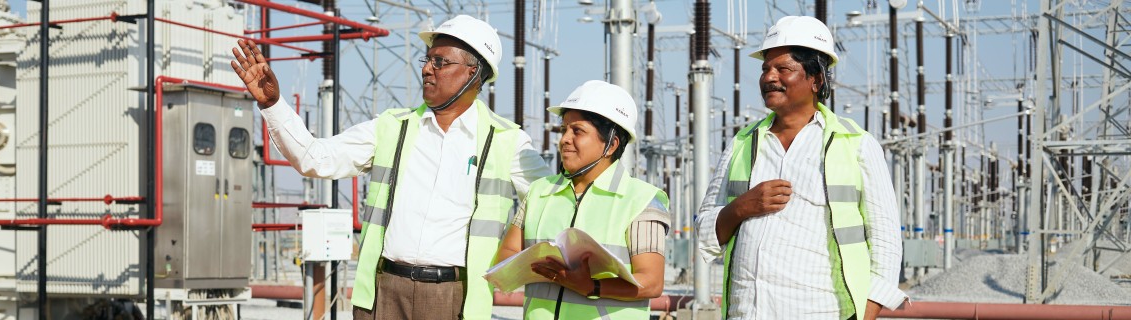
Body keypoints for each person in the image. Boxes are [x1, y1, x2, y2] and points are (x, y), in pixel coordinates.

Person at [230, 15, 550, 320]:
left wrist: (518, 238)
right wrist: (273, 105)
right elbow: (315, 157)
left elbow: (551, 202)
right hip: (384, 295)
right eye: (427, 59)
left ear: (474, 73)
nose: (427, 69)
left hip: (456, 298)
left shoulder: (507, 142)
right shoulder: (391, 127)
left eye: (441, 62)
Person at [696, 16, 907, 320]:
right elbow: (705, 235)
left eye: (783, 69)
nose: (769, 77)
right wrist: (741, 208)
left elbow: (886, 245)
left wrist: (866, 314)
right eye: (765, 68)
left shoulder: (855, 145)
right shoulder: (742, 144)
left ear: (816, 79)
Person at [496, 80, 669, 319]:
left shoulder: (643, 200)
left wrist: (592, 287)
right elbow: (506, 255)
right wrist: (539, 264)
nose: (565, 139)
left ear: (611, 145)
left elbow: (651, 282)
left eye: (577, 131)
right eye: (564, 129)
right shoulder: (538, 192)